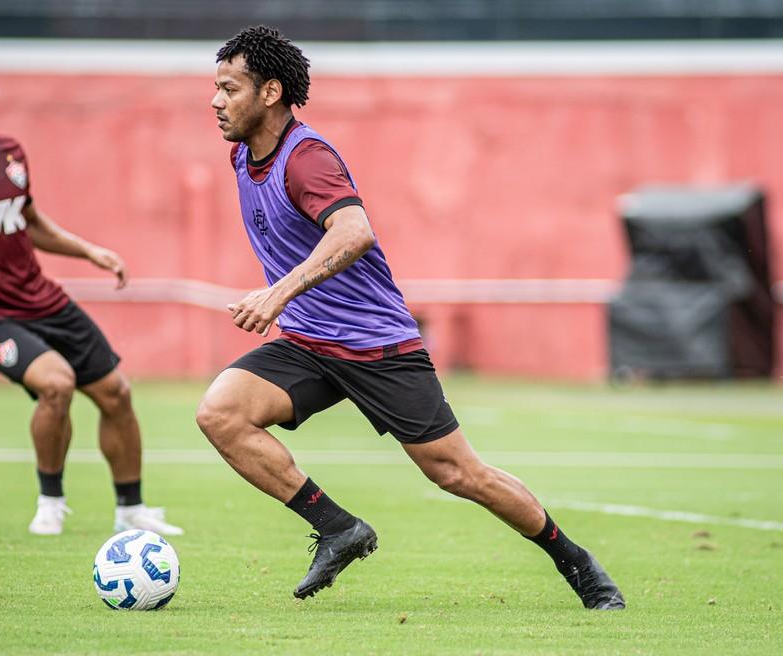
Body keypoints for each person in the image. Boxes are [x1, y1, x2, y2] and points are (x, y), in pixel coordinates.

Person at [197, 26, 624, 608]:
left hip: (378, 346)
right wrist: (289, 303)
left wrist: (276, 295)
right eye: (216, 88)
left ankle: (575, 562)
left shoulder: (307, 159)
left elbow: (354, 232)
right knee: (221, 413)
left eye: (230, 88)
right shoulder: (243, 154)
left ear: (270, 92)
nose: (216, 102)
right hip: (310, 343)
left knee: (457, 474)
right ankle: (338, 528)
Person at [0, 49, 183, 538]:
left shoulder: (11, 153)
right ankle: (51, 502)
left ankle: (131, 510)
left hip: (42, 299)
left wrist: (89, 251)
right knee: (56, 383)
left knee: (117, 392)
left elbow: (27, 222)